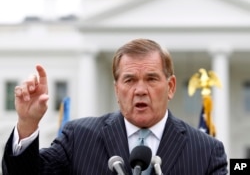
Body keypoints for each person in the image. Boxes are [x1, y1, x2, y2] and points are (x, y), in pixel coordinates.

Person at [2, 38, 228, 175]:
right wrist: (27, 123)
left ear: (170, 87)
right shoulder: (79, 139)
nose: (140, 90)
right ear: (116, 89)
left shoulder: (206, 152)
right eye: (129, 80)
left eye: (151, 79)